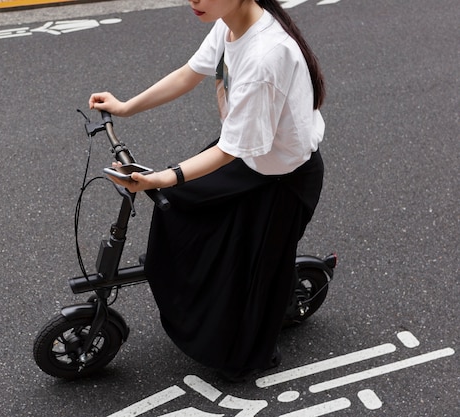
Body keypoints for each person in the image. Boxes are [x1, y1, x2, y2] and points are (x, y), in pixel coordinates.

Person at [89, 0, 326, 382]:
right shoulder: (230, 22)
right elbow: (191, 72)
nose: (194, 0)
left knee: (240, 264)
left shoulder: (266, 56)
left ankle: (246, 353)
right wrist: (126, 107)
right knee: (178, 207)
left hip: (280, 178)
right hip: (249, 158)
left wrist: (160, 177)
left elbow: (229, 149)